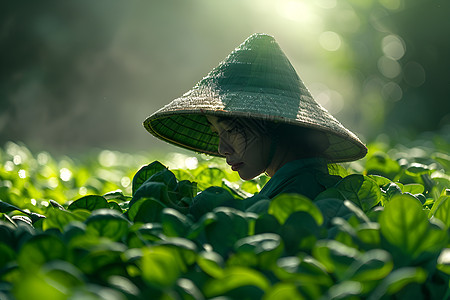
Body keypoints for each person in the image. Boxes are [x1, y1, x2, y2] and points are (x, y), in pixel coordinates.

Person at [143, 33, 367, 207]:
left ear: (273, 121)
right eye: (217, 133)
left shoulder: (294, 198)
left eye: (230, 131)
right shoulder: (306, 181)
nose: (222, 149)